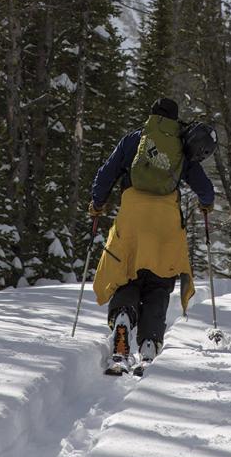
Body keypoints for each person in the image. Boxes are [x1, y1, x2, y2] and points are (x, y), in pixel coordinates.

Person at [89, 97, 215, 374]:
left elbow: (106, 174)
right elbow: (204, 188)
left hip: (132, 217)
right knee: (158, 284)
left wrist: (97, 203)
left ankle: (123, 320)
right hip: (166, 225)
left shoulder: (134, 140)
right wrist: (207, 203)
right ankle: (149, 343)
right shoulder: (182, 147)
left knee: (126, 276)